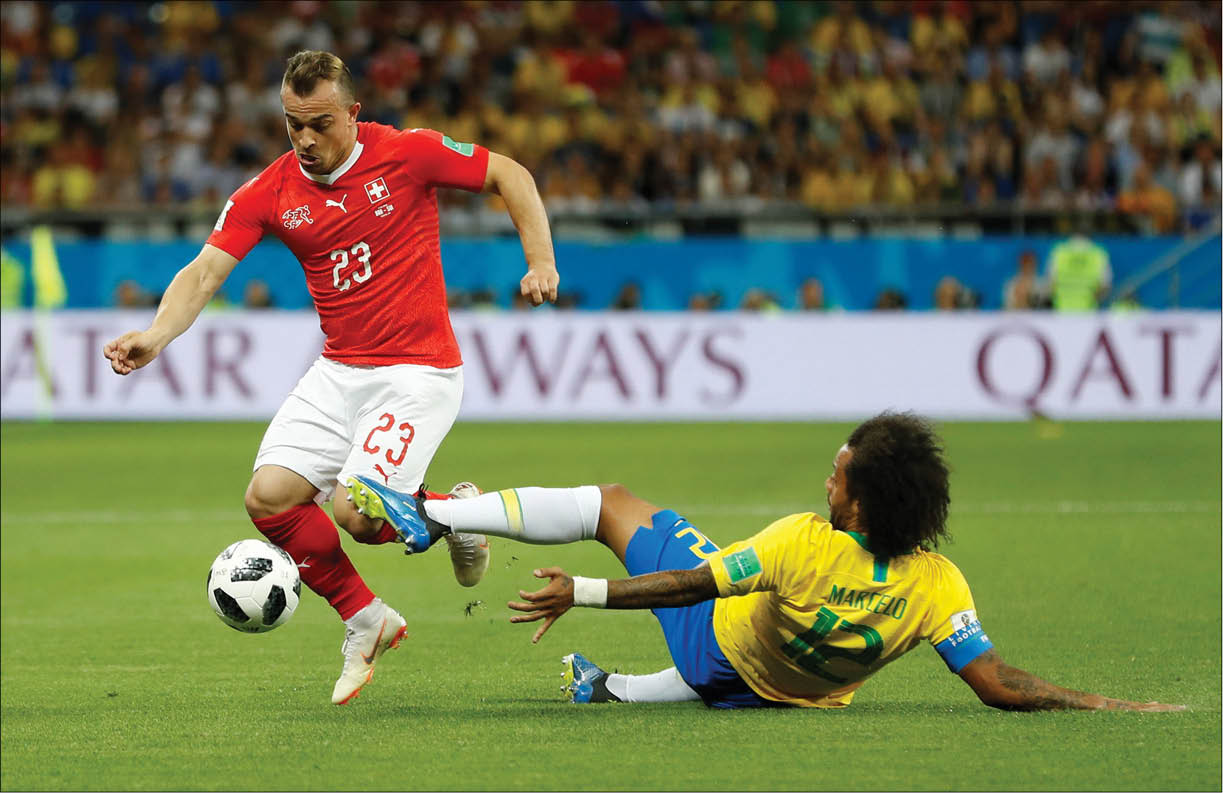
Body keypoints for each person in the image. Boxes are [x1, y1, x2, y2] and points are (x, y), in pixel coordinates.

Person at [102, 51, 560, 705]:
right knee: (270, 497)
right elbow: (204, 271)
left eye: (320, 123)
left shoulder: (406, 154)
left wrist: (540, 261)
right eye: (294, 125)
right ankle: (368, 619)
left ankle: (460, 517)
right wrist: (156, 334)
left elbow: (509, 174)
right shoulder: (269, 192)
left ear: (352, 114)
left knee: (356, 515)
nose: (306, 139)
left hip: (418, 372)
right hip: (340, 369)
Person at [347, 412, 1184, 712]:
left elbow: (689, 584)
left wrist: (584, 589)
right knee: (747, 636)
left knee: (613, 502)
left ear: (860, 503)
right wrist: (1107, 701)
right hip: (792, 694)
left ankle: (431, 513)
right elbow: (996, 681)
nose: (826, 480)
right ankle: (609, 689)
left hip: (720, 649)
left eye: (837, 474)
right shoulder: (938, 584)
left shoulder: (800, 543)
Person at [1046, 233, 1111, 311]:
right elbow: (1104, 287)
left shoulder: (1059, 251)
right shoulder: (1098, 254)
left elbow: (1050, 285)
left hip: (1060, 310)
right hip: (1088, 311)